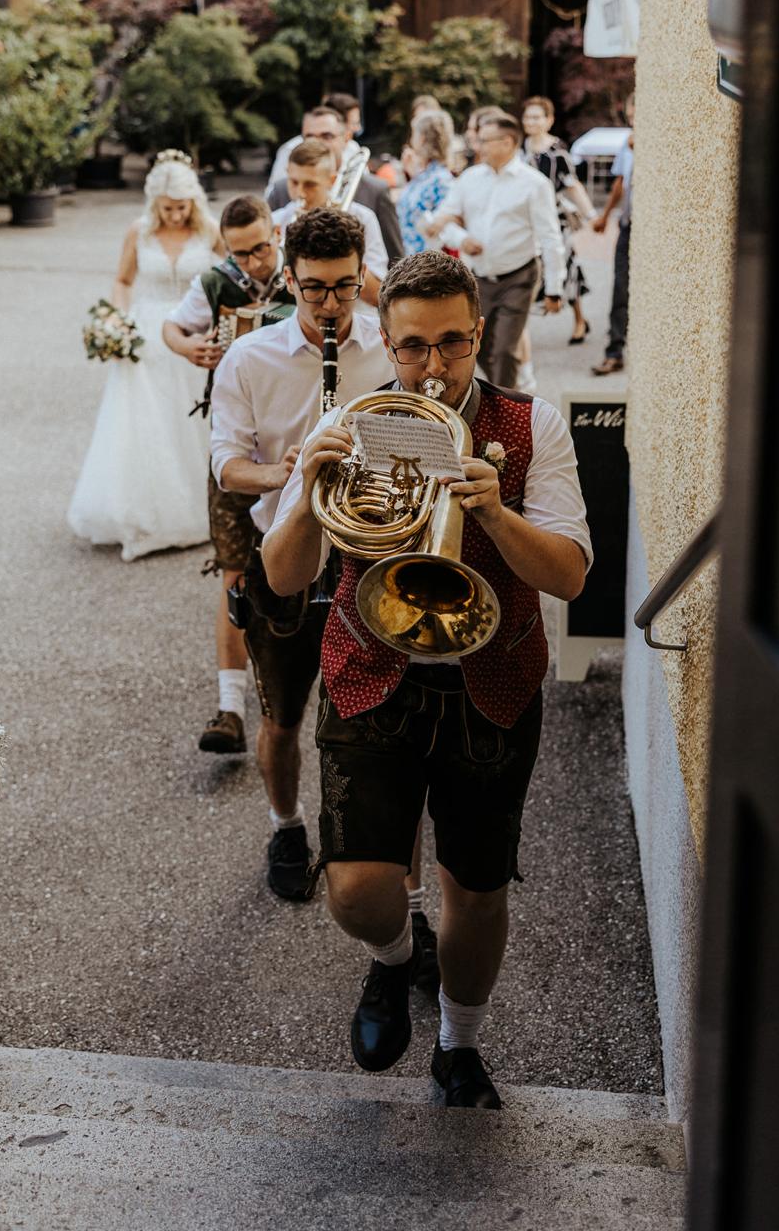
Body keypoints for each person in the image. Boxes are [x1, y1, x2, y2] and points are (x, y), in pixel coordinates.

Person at [262, 251, 591, 1107]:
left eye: (452, 344)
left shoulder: (531, 425)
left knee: (476, 896)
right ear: (387, 340)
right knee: (357, 891)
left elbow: (570, 577)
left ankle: (458, 1042)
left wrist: (494, 510)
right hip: (373, 667)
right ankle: (394, 960)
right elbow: (285, 575)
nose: (434, 366)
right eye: (414, 347)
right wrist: (306, 491)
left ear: (478, 333)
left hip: (494, 679)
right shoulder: (355, 422)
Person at [209, 208, 391, 899]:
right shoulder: (249, 359)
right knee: (283, 718)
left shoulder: (385, 349)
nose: (331, 306)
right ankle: (286, 825)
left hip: (368, 556)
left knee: (373, 721)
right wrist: (286, 474)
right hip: (282, 558)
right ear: (289, 279)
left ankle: (371, 856)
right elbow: (227, 465)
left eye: (345, 287)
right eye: (314, 289)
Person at [162, 196, 290, 756]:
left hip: (293, 445)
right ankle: (230, 708)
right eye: (242, 252)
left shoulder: (303, 279)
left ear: (275, 234)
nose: (255, 261)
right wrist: (191, 347)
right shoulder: (217, 281)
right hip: (235, 449)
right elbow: (172, 326)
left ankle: (295, 700)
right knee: (234, 572)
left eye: (262, 246)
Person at [67, 156, 220, 562]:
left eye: (182, 206)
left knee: (190, 423)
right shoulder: (139, 232)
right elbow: (123, 280)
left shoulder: (211, 231)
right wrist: (117, 321)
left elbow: (233, 278)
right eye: (168, 207)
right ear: (155, 203)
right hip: (146, 336)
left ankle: (196, 509)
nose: (175, 214)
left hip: (193, 335)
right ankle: (142, 513)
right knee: (144, 426)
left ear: (193, 201)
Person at [427, 112, 566, 388]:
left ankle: (505, 407)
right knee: (478, 345)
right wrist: (462, 238)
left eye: (486, 140)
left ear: (508, 142)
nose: (479, 146)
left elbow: (550, 237)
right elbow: (444, 219)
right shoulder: (469, 178)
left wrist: (554, 289)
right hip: (477, 278)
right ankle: (505, 390)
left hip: (518, 277)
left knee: (504, 349)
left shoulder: (535, 184)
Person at [269, 104, 404, 264]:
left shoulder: (375, 191)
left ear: (346, 138)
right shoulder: (281, 189)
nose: (316, 143)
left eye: (326, 136)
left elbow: (395, 259)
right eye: (309, 136)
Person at [273, 140, 388, 305]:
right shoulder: (277, 220)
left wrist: (344, 243)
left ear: (332, 180)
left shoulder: (363, 218)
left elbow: (377, 295)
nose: (300, 193)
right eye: (294, 182)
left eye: (310, 184)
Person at [522, 97, 594, 345]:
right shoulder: (520, 150)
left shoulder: (557, 152)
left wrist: (592, 216)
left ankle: (579, 320)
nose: (531, 121)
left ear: (549, 120)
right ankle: (521, 330)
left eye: (537, 117)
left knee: (567, 267)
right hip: (525, 223)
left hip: (554, 221)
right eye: (528, 117)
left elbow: (572, 185)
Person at [591, 96, 635, 376]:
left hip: (648, 230)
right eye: (631, 107)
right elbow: (620, 182)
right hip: (627, 225)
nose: (633, 113)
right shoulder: (627, 142)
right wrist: (605, 216)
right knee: (620, 287)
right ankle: (615, 350)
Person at [396, 108, 455, 255]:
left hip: (426, 264)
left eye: (413, 134)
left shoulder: (441, 180)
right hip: (408, 257)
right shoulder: (426, 175)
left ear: (422, 138)